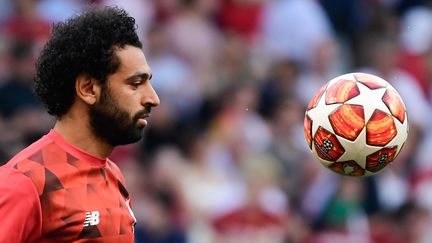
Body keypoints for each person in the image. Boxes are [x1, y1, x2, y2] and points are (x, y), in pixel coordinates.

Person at [0, 6, 160, 242]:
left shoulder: (114, 175)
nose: (153, 98)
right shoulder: (25, 183)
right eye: (135, 83)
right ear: (88, 88)